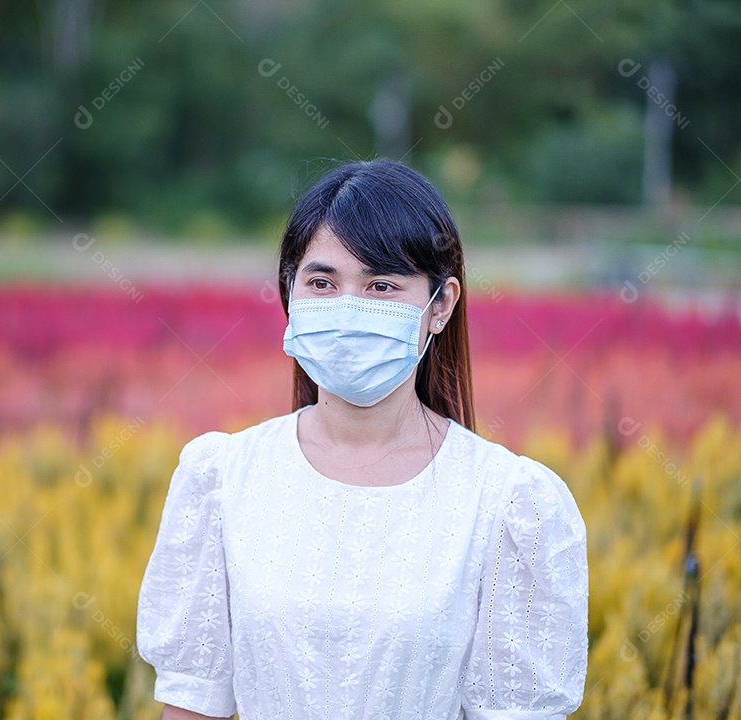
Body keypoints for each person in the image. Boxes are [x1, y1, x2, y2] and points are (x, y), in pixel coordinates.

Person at [135, 158, 589, 720]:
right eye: (322, 282)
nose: (348, 310)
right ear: (289, 291)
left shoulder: (509, 504)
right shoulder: (223, 480)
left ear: (439, 306)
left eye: (381, 285)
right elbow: (191, 704)